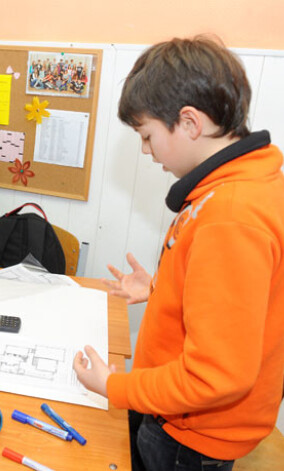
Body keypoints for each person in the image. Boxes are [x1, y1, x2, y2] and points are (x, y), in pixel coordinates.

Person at [73, 36, 284, 471]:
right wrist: (161, 287)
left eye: (147, 135)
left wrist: (115, 387)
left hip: (191, 436)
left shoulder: (230, 214)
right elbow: (236, 302)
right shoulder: (240, 187)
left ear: (190, 122)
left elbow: (216, 374)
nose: (147, 152)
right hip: (180, 415)